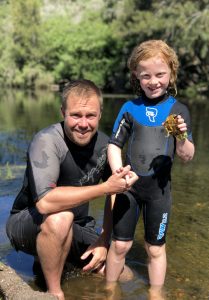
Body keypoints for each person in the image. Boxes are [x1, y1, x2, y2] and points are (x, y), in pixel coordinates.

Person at [6, 79, 138, 300]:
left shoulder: (107, 145)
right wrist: (104, 188)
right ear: (63, 112)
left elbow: (116, 191)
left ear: (100, 114)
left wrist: (105, 240)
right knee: (60, 218)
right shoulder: (46, 141)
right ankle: (55, 293)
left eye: (90, 116)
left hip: (76, 226)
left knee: (123, 276)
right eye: (76, 115)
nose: (83, 123)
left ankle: (56, 258)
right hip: (27, 222)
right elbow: (45, 202)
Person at [105, 40, 195, 299]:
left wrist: (181, 136)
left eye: (160, 74)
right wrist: (119, 173)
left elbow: (186, 155)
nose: (153, 81)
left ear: (171, 74)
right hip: (129, 188)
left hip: (159, 192)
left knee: (155, 249)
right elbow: (114, 145)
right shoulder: (130, 109)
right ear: (136, 76)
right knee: (120, 244)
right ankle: (109, 291)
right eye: (146, 76)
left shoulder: (176, 112)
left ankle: (156, 294)